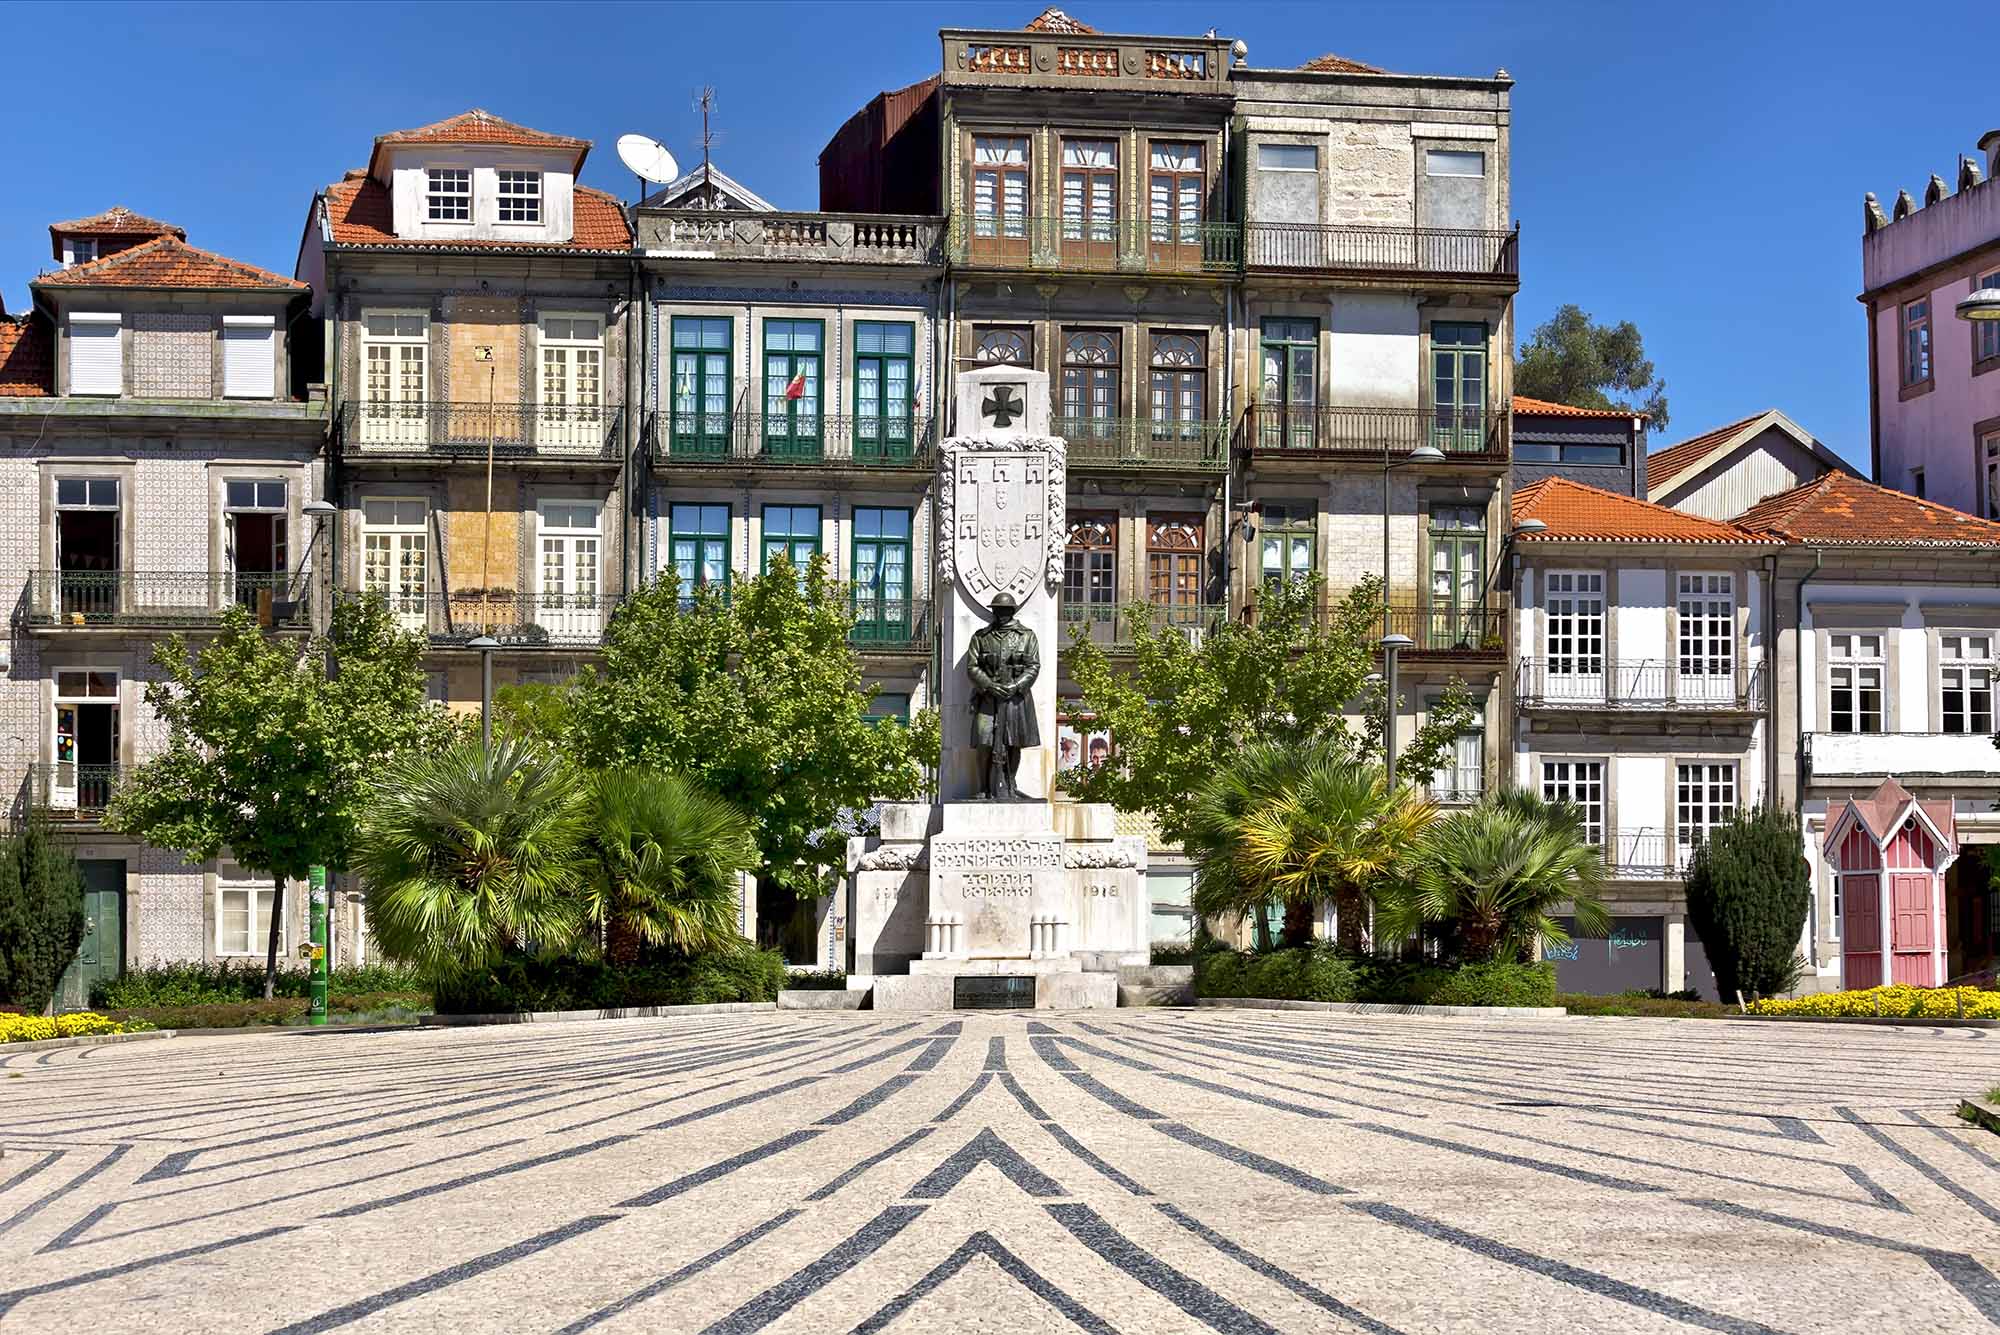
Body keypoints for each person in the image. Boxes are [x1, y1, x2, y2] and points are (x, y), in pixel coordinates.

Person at [966, 592, 1041, 799]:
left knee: (1013, 742)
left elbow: (1033, 666)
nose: (1001, 614)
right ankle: (983, 787)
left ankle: (1009, 784)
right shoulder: (981, 637)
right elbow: (972, 667)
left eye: (1005, 610)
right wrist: (989, 685)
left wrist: (1016, 685)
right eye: (997, 610)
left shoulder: (1026, 636)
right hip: (988, 699)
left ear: (1012, 611)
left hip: (1015, 699)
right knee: (983, 740)